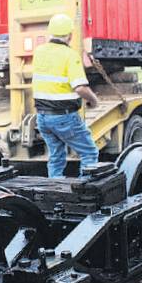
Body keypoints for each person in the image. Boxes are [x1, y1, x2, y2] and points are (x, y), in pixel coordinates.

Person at [32, 12, 103, 177]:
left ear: (50, 32)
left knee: (56, 156)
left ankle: (55, 189)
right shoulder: (70, 55)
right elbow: (79, 88)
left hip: (42, 118)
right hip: (64, 117)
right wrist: (94, 100)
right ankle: (84, 193)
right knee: (89, 153)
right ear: (70, 35)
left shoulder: (39, 52)